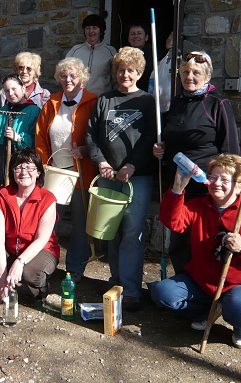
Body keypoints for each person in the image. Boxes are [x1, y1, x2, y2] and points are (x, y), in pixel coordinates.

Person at [150, 153, 241, 349]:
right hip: (203, 282)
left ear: (239, 186)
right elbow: (172, 221)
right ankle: (206, 312)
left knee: (239, 310)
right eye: (213, 177)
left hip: (240, 284)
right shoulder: (198, 206)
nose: (216, 183)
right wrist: (178, 188)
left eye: (224, 179)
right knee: (164, 293)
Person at [153, 50, 240, 274]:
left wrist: (229, 187)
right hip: (180, 188)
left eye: (195, 72)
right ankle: (182, 288)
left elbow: (231, 150)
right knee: (179, 242)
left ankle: (206, 289)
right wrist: (161, 149)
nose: (189, 77)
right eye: (185, 72)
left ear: (207, 76)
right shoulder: (176, 103)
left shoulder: (217, 103)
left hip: (205, 189)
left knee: (203, 241)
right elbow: (172, 138)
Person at [86, 47, 157, 312]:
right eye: (120, 69)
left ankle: (131, 289)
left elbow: (150, 137)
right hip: (108, 175)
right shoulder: (104, 100)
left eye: (130, 70)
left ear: (139, 73)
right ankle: (115, 282)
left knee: (131, 233)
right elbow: (92, 134)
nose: (125, 74)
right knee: (110, 230)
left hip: (136, 178)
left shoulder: (147, 102)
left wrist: (132, 165)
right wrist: (101, 161)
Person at [35, 57, 97, 282]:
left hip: (82, 171)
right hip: (55, 171)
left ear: (82, 78)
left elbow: (98, 137)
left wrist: (86, 149)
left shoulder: (93, 102)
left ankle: (75, 268)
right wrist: (43, 164)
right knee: (51, 221)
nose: (68, 79)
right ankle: (45, 262)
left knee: (80, 223)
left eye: (73, 75)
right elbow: (41, 136)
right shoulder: (51, 102)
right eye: (64, 75)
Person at [0, 148, 59, 302]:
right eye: (18, 168)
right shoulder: (3, 196)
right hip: (10, 248)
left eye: (29, 167)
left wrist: (19, 263)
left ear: (38, 172)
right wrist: (2, 275)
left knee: (30, 272)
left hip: (41, 250)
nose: (23, 172)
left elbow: (42, 239)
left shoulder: (48, 199)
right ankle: (0, 289)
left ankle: (39, 292)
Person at [0, 74, 41, 186]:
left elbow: (38, 139)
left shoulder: (34, 111)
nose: (11, 94)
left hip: (22, 163)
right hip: (0, 162)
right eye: (7, 91)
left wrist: (19, 137)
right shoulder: (2, 112)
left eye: (14, 89)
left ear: (22, 88)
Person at [66, 13, 117, 96]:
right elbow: (64, 74)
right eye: (88, 28)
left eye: (95, 28)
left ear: (100, 31)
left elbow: (116, 79)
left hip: (101, 98)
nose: (91, 31)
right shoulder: (75, 50)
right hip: (78, 99)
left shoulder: (110, 51)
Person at [147, 31, 174, 113]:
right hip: (156, 107)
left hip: (169, 107)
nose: (169, 39)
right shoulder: (162, 58)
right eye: (169, 36)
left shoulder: (177, 58)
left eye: (172, 36)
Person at [126, 23, 154, 91]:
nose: (136, 36)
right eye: (132, 34)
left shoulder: (154, 54)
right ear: (129, 39)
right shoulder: (124, 55)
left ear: (146, 37)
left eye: (139, 33)